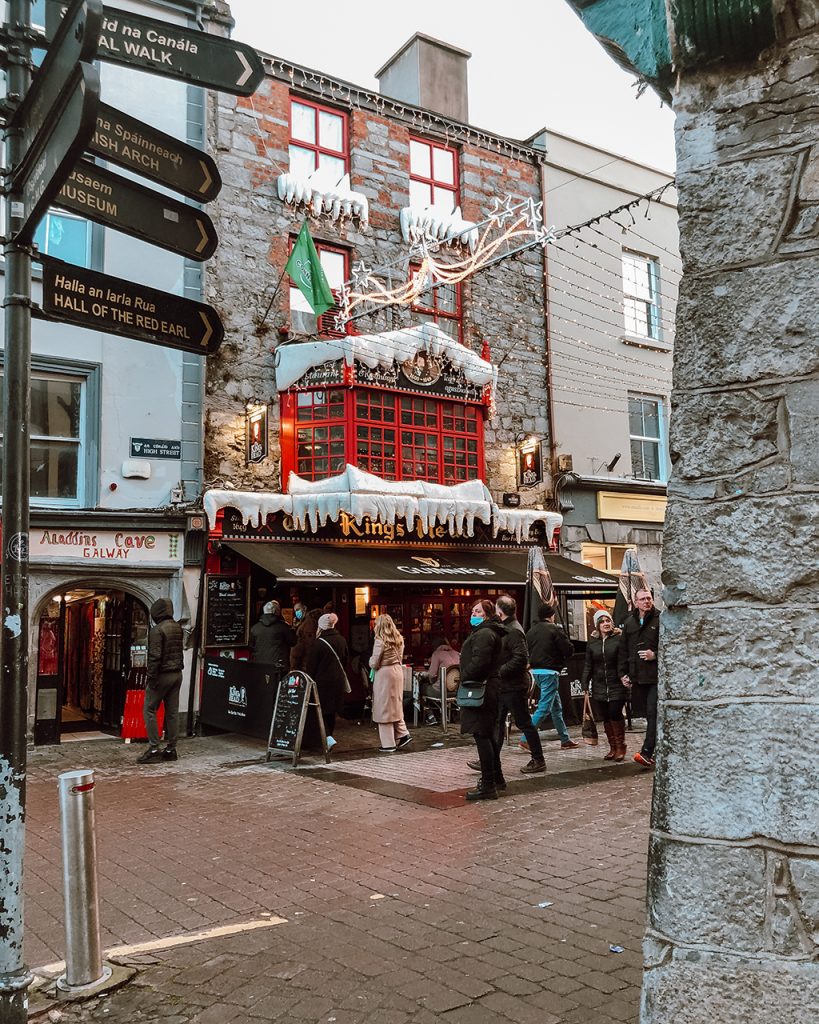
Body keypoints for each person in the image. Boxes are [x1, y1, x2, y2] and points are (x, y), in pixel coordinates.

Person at [494, 594, 546, 774]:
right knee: (497, 722)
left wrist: (499, 671)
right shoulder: (505, 628)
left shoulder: (514, 630)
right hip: (504, 685)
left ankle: (538, 759)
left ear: (500, 612)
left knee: (524, 722)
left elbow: (520, 658)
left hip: (514, 686)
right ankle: (491, 757)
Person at [460, 599, 506, 800]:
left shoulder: (485, 634)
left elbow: (480, 661)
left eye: (478, 611)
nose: (474, 614)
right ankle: (496, 778)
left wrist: (465, 677)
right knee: (487, 733)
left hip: (483, 688)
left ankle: (488, 784)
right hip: (487, 686)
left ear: (487, 615)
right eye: (472, 611)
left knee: (482, 734)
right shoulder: (487, 632)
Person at [525, 604, 578, 750]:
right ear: (551, 615)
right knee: (544, 707)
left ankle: (565, 739)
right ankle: (526, 738)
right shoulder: (555, 629)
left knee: (556, 707)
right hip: (550, 671)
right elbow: (568, 650)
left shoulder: (531, 631)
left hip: (536, 672)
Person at [618, 588, 661, 768]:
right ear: (636, 603)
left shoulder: (660, 619)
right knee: (647, 715)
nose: (646, 602)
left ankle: (646, 752)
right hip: (637, 676)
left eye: (649, 598)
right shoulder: (630, 623)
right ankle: (658, 749)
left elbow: (672, 646)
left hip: (656, 677)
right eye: (642, 599)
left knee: (653, 714)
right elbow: (624, 650)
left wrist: (655, 655)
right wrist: (623, 673)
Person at [138, 598, 184, 764]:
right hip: (177, 673)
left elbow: (155, 656)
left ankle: (154, 747)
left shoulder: (157, 630)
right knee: (172, 712)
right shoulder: (177, 627)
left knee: (149, 709)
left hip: (162, 674)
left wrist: (151, 677)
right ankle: (171, 748)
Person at [582, 609, 628, 761]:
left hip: (616, 683)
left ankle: (621, 746)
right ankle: (612, 747)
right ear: (597, 625)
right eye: (602, 622)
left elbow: (622, 660)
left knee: (615, 712)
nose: (606, 624)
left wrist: (624, 676)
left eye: (608, 621)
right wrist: (584, 682)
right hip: (599, 684)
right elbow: (588, 664)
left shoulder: (618, 638)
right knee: (606, 716)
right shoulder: (592, 642)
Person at [304, 612, 348, 750]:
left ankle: (327, 738)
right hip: (338, 681)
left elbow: (311, 667)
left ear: (320, 627)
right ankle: (328, 738)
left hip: (322, 683)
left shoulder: (318, 644)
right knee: (331, 712)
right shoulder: (342, 640)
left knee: (319, 712)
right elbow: (345, 660)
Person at [369, 614, 411, 753]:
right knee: (395, 704)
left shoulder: (380, 640)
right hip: (397, 672)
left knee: (383, 707)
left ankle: (388, 744)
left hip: (384, 674)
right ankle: (403, 733)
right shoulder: (399, 639)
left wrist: (370, 661)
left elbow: (374, 663)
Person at [419, 635, 460, 722]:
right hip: (455, 691)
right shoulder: (457, 654)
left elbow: (432, 675)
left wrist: (426, 676)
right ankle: (450, 715)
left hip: (440, 691)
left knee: (420, 689)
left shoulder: (437, 654)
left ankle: (430, 716)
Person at [249, 600, 295, 677]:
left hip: (260, 665)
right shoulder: (283, 627)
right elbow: (293, 641)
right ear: (276, 612)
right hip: (279, 666)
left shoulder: (255, 628)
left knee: (263, 687)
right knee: (277, 687)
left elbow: (251, 646)